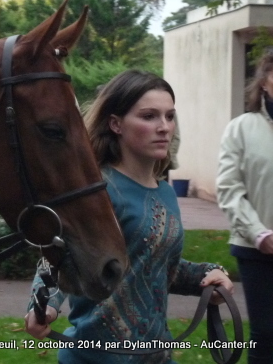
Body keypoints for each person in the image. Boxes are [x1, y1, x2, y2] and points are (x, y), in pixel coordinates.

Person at [24, 70, 233, 364]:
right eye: (149, 116)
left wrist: (208, 277)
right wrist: (44, 306)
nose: (164, 127)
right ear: (116, 124)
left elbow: (157, 267)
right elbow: (58, 259)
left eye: (170, 116)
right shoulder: (99, 192)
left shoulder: (166, 194)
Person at [217, 51, 273, 364]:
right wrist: (259, 234)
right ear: (264, 82)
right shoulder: (240, 128)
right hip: (257, 251)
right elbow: (228, 189)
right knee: (265, 335)